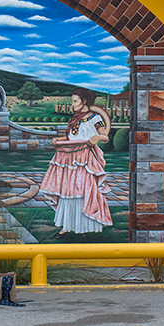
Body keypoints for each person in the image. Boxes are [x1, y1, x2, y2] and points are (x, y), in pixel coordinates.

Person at [40, 87, 113, 235]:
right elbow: (71, 138)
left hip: (86, 160)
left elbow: (105, 137)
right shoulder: (75, 119)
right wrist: (58, 139)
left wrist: (97, 137)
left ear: (84, 100)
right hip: (70, 159)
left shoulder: (95, 118)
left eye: (75, 101)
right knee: (69, 189)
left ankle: (85, 227)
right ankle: (67, 226)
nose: (72, 104)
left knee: (84, 190)